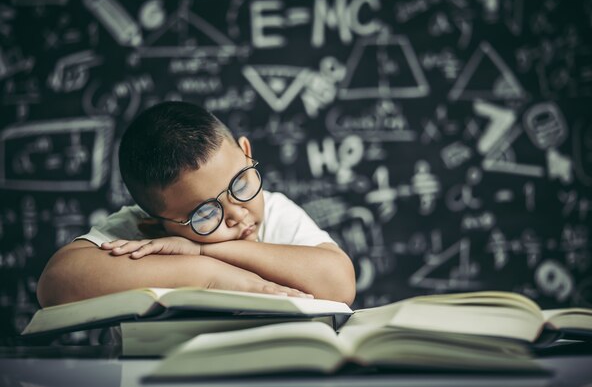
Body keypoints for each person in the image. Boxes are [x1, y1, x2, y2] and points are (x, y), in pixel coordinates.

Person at [37, 101, 356, 307]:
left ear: (246, 153)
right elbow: (56, 283)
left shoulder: (273, 212)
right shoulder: (143, 235)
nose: (237, 213)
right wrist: (205, 274)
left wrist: (205, 249)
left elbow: (339, 283)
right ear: (154, 224)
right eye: (205, 213)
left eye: (240, 184)